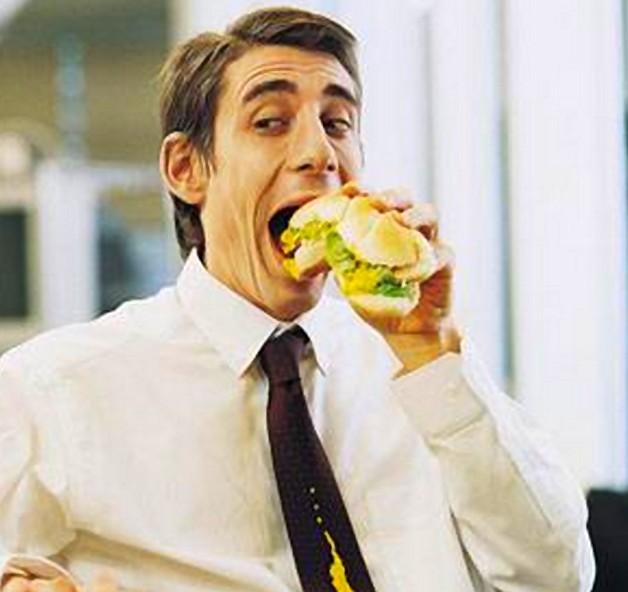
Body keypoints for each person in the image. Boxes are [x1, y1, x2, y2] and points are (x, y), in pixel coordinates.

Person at [0, 6, 594, 592]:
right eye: (270, 122)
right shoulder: (55, 390)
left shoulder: (425, 372)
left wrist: (433, 351)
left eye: (337, 122)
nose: (320, 152)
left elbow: (555, 577)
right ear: (185, 168)